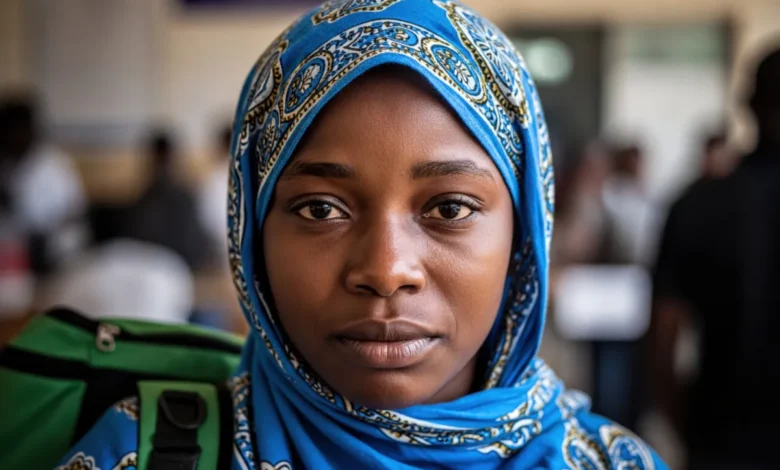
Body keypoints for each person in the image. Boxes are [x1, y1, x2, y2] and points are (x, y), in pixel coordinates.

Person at [56, 1, 666, 468]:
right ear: (253, 238)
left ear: (523, 238)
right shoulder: (137, 454)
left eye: (450, 207)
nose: (385, 269)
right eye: (321, 209)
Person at [651, 46, 780, 470]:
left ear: (748, 103)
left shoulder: (699, 203)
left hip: (723, 431)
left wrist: (677, 414)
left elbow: (664, 332)